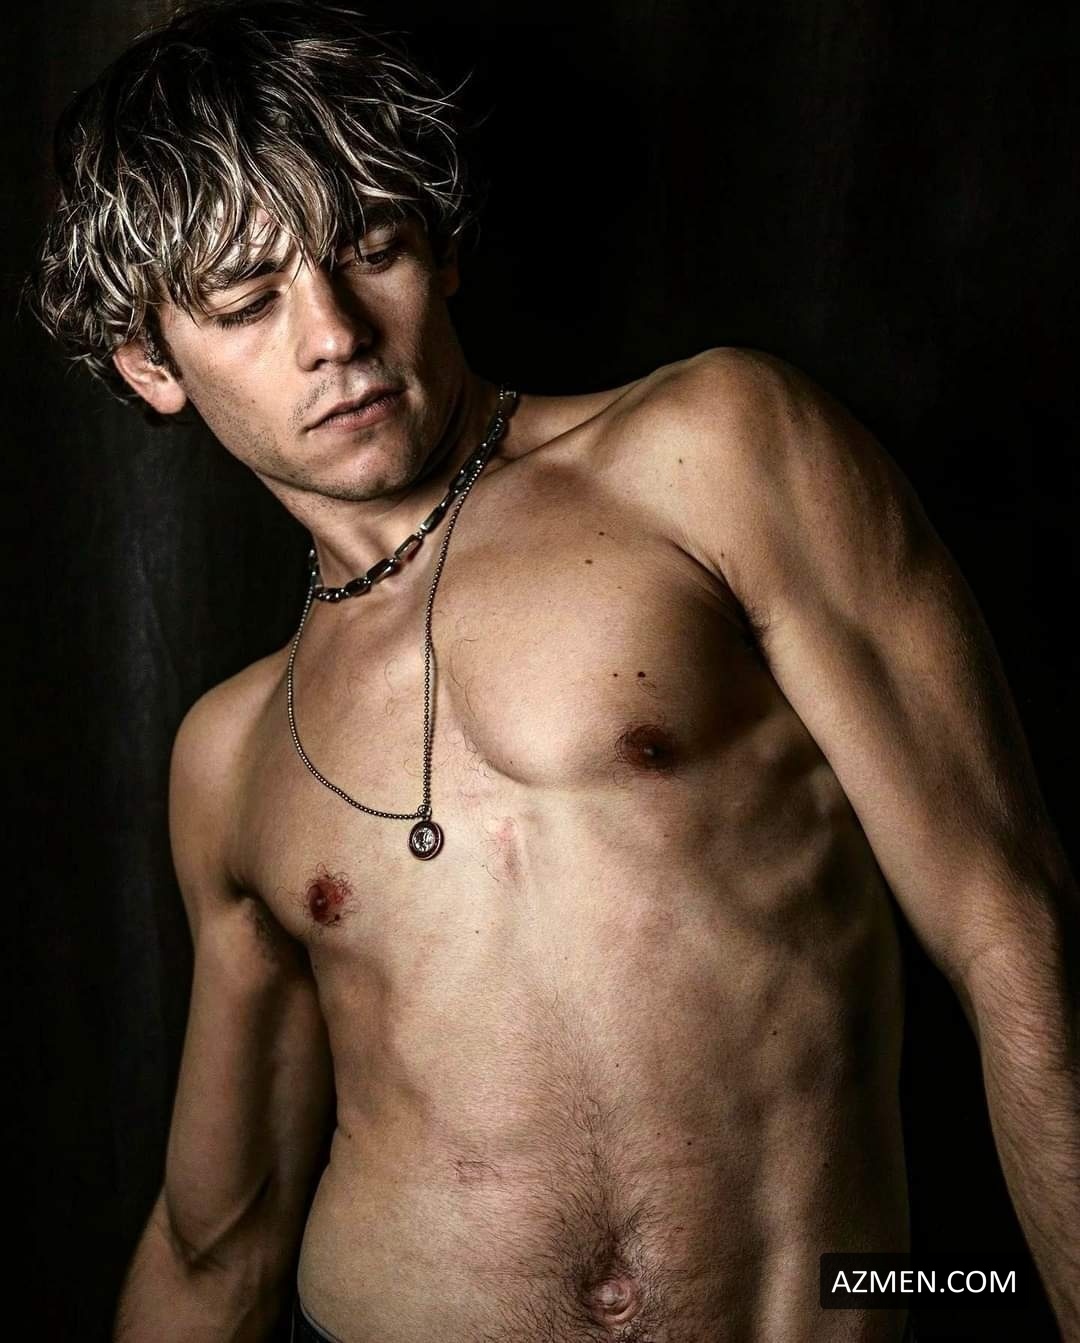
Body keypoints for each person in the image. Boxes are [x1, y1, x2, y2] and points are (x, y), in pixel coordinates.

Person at [25, 2, 1079, 1340]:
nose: (333, 331)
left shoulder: (709, 453)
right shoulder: (229, 755)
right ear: (150, 364)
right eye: (246, 302)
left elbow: (1009, 930)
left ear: (444, 249)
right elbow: (213, 1244)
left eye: (372, 249)